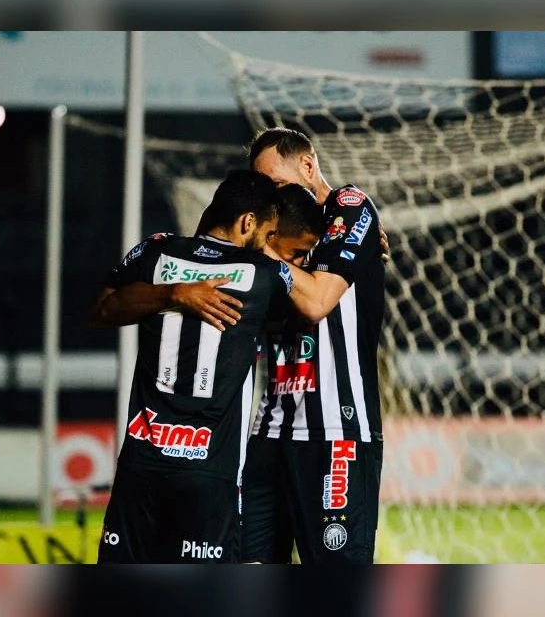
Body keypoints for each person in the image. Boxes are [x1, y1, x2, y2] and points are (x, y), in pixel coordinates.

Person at [86, 170, 303, 564]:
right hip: (209, 472)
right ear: (247, 222)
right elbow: (317, 303)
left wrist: (172, 292)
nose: (269, 245)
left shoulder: (153, 252)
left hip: (143, 464)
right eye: (269, 234)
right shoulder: (263, 275)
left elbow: (101, 310)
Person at [243, 126, 386, 564]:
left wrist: (263, 250)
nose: (271, 195)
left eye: (278, 182)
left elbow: (318, 302)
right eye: (264, 186)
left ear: (308, 165)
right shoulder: (266, 232)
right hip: (269, 430)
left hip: (335, 431)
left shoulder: (347, 207)